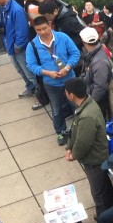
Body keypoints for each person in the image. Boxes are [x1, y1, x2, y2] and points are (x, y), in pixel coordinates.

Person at [63, 78, 113, 218]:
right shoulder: (86, 104)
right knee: (104, 189)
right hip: (95, 158)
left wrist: (74, 154)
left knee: (99, 194)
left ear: (71, 95)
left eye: (66, 92)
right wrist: (69, 146)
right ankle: (111, 212)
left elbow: (83, 142)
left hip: (95, 161)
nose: (65, 93)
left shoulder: (87, 116)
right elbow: (76, 129)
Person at [25, 16, 80, 146]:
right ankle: (61, 131)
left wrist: (67, 67)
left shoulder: (63, 37)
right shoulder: (32, 45)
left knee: (76, 107)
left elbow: (75, 53)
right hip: (51, 83)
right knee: (56, 109)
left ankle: (79, 131)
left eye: (44, 28)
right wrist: (47, 73)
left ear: (50, 25)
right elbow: (31, 65)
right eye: (38, 30)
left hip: (69, 80)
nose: (43, 32)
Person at [80, 27, 111, 120]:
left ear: (83, 41)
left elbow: (100, 86)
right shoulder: (95, 55)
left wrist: (90, 104)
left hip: (96, 101)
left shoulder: (99, 62)